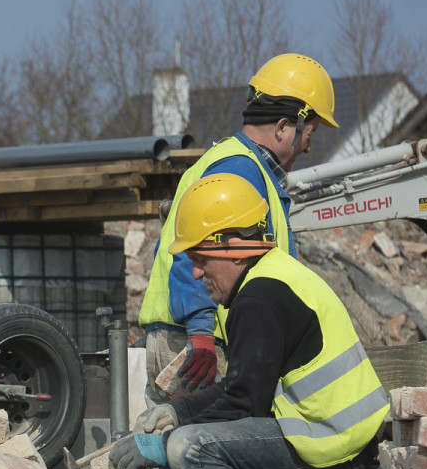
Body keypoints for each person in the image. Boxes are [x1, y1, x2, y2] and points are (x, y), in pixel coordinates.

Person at [110, 174, 388, 469]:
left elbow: (245, 405)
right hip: (326, 433)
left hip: (331, 444)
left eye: (201, 257)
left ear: (232, 246)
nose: (197, 271)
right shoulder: (266, 279)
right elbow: (244, 386)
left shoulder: (259, 298)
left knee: (190, 449)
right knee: (182, 442)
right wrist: (177, 411)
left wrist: (165, 442)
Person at [139, 53, 339, 403]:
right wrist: (201, 333)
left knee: (179, 443)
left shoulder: (237, 165)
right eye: (310, 132)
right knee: (202, 447)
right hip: (197, 344)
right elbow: (201, 251)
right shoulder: (239, 171)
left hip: (186, 336)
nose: (309, 145)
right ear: (282, 128)